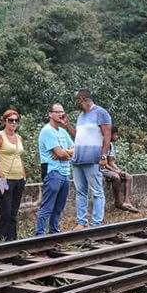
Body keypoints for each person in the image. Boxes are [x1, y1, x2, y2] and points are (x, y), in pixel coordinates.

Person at [72, 89, 112, 229]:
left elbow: (107, 135)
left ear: (82, 99)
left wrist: (103, 156)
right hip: (78, 159)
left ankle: (96, 224)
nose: (75, 102)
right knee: (80, 191)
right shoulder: (81, 116)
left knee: (96, 192)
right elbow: (78, 135)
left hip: (93, 159)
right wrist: (66, 126)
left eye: (77, 100)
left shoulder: (101, 113)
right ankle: (81, 222)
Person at [0, 109, 26, 243]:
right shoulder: (0, 136)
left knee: (14, 212)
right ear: (5, 122)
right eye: (11, 120)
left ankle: (11, 239)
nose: (14, 123)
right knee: (6, 211)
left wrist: (23, 174)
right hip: (5, 179)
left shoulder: (18, 137)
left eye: (16, 120)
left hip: (19, 179)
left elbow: (19, 157)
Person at [36, 103, 75, 236]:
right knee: (47, 207)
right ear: (50, 114)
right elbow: (60, 154)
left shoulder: (63, 132)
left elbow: (75, 149)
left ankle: (54, 233)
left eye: (62, 112)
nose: (60, 114)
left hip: (65, 173)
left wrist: (65, 153)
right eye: (57, 111)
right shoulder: (47, 131)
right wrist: (64, 153)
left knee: (58, 208)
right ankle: (40, 235)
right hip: (53, 172)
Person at [103, 126, 138, 213]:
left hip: (108, 167)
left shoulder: (110, 145)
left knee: (128, 177)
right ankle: (117, 201)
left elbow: (110, 162)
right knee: (116, 177)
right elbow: (104, 164)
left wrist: (119, 170)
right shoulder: (103, 145)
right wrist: (116, 172)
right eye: (115, 135)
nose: (116, 137)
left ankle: (127, 201)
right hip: (101, 168)